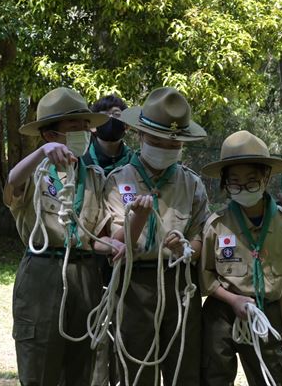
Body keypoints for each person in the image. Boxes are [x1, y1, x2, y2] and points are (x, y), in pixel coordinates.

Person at [103, 87, 210, 385]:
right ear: (140, 135)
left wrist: (187, 249)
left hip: (180, 285)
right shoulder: (117, 180)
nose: (164, 147)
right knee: (135, 368)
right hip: (133, 284)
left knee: (184, 367)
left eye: (172, 144)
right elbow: (117, 243)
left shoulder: (192, 184)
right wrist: (137, 218)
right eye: (156, 141)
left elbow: (201, 233)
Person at [4, 87, 110, 386]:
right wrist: (40, 154)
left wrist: (113, 243)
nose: (82, 132)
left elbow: (93, 236)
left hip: (85, 273)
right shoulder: (36, 173)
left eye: (84, 126)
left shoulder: (94, 177)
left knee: (81, 364)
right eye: (72, 127)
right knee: (39, 363)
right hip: (42, 272)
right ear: (51, 135)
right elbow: (13, 182)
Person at [198, 130, 282, 386]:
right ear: (225, 183)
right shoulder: (216, 225)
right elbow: (206, 277)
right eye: (234, 182)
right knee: (214, 377)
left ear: (266, 177)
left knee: (272, 378)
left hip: (266, 313)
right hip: (222, 314)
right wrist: (234, 299)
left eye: (251, 180)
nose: (243, 187)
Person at [85, 94, 132, 386]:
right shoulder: (80, 160)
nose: (115, 122)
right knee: (90, 330)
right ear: (94, 124)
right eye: (109, 115)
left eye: (120, 116)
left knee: (125, 333)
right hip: (88, 259)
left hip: (125, 260)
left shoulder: (136, 164)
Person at [83, 94, 133, 174]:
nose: (111, 118)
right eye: (104, 115)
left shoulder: (134, 162)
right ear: (93, 126)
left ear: (126, 126)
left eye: (116, 115)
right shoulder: (82, 161)